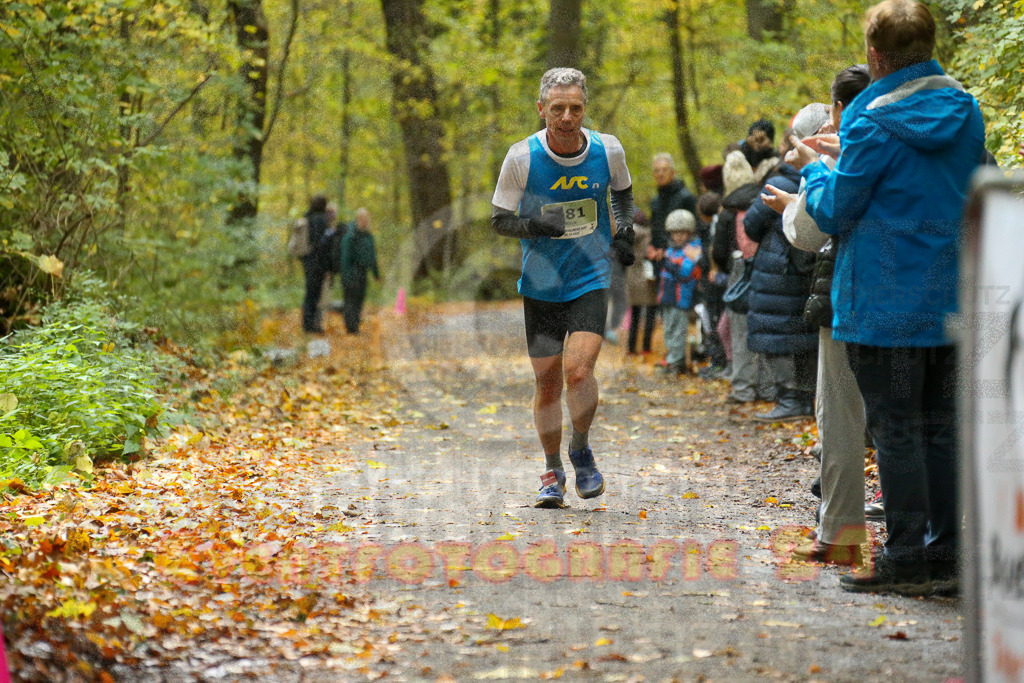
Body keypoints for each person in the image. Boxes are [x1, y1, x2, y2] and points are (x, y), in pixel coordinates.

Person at [792, 0, 985, 595]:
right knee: (942, 428)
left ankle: (905, 558)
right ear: (930, 47)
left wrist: (815, 169)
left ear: (874, 56)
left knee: (897, 430)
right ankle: (947, 556)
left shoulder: (870, 121)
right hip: (952, 296)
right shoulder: (967, 111)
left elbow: (834, 211)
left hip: (884, 301)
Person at [490, 67, 635, 509]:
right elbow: (499, 220)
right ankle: (552, 472)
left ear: (584, 108)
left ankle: (581, 450)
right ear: (542, 110)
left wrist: (625, 230)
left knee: (579, 372)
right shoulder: (522, 157)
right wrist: (534, 225)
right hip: (540, 284)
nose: (567, 117)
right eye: (558, 109)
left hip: (591, 277)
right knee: (549, 383)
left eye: (575, 108)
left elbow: (622, 192)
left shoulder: (608, 149)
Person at [761, 68, 874, 565]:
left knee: (840, 418)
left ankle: (841, 532)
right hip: (921, 296)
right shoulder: (922, 139)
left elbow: (812, 228)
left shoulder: (843, 150)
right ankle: (922, 543)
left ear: (838, 110)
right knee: (904, 422)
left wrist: (807, 180)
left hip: (851, 293)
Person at [743, 154, 818, 422]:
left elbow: (751, 226)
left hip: (778, 272)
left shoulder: (777, 184)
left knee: (779, 337)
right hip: (809, 270)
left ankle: (788, 400)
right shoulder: (821, 179)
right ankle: (807, 401)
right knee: (804, 337)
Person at [650, 209, 703, 375]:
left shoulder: (691, 250)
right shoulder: (671, 250)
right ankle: (671, 358)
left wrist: (666, 261)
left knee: (678, 330)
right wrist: (658, 260)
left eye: (682, 233)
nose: (678, 236)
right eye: (675, 233)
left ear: (690, 233)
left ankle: (677, 362)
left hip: (680, 298)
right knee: (668, 330)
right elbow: (663, 271)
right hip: (666, 296)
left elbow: (684, 273)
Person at [340, 208, 380, 334]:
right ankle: (351, 327)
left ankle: (355, 324)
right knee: (351, 300)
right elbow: (345, 257)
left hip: (363, 272)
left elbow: (372, 256)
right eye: (363, 219)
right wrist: (346, 276)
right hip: (351, 271)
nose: (365, 221)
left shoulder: (368, 236)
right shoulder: (350, 236)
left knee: (359, 299)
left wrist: (376, 273)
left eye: (367, 219)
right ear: (358, 219)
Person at [625, 209, 659, 356]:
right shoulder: (648, 234)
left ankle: (631, 347)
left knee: (635, 315)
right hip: (648, 278)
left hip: (633, 278)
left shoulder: (630, 233)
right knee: (650, 314)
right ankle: (646, 347)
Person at [649, 153, 697, 252]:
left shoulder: (686, 197)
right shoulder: (655, 202)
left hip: (683, 253)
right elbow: (655, 231)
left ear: (673, 172)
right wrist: (654, 249)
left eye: (664, 170)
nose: (660, 174)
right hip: (661, 255)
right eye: (657, 171)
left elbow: (696, 229)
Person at [300, 194, 332, 334]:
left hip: (307, 261)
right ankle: (311, 325)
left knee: (309, 294)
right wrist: (327, 267)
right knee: (315, 295)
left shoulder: (307, 217)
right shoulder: (321, 220)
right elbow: (322, 245)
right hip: (317, 263)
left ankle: (307, 324)